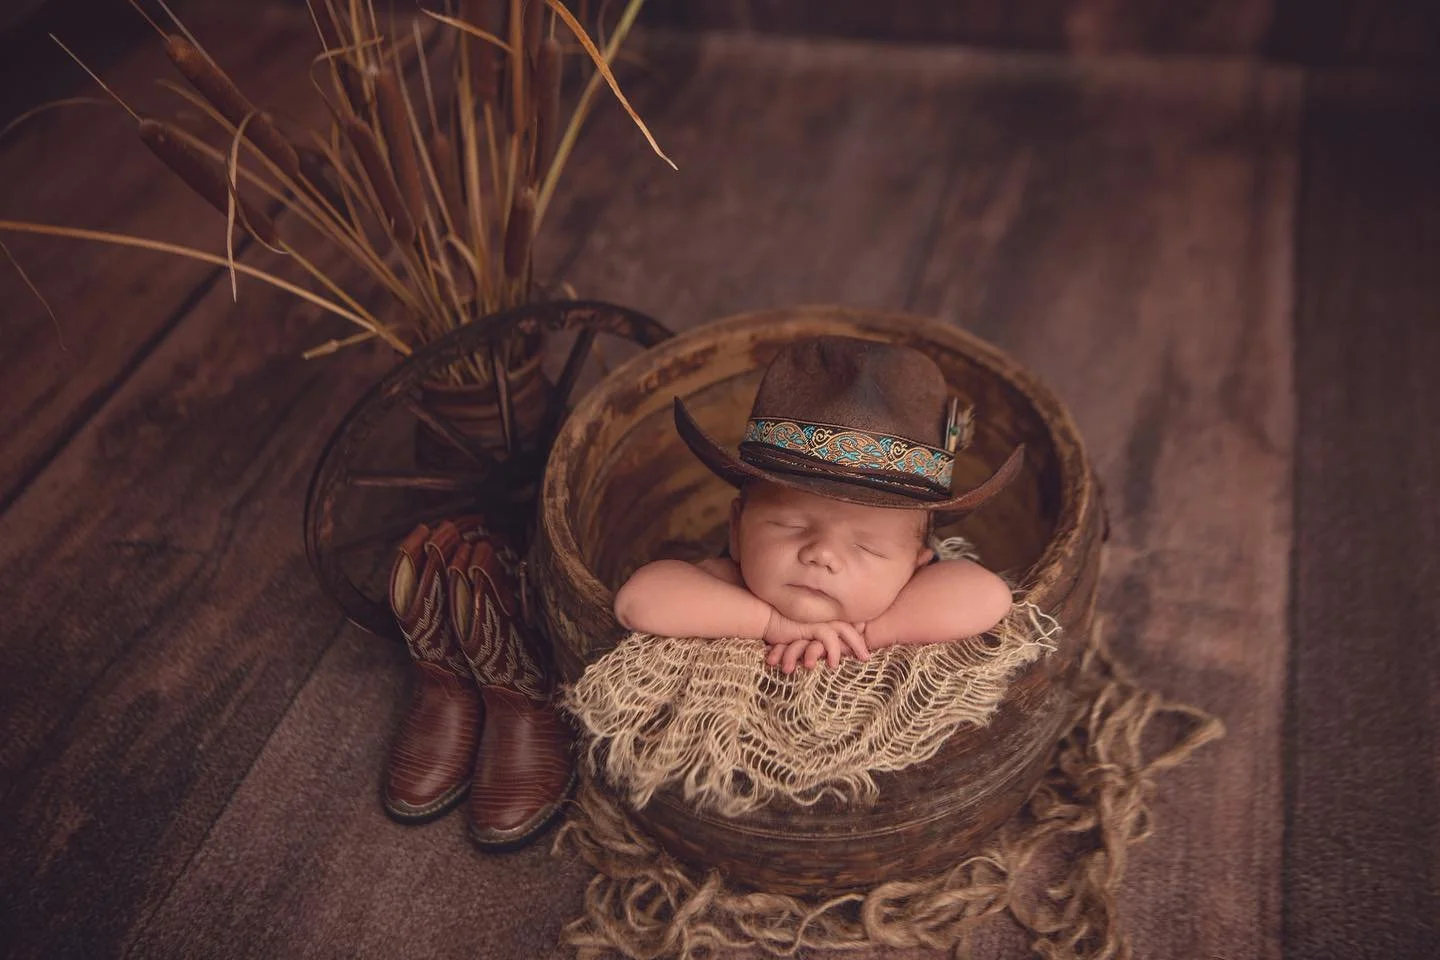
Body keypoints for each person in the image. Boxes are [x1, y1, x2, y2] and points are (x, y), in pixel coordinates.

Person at [613, 334, 1025, 673]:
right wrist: (772, 623)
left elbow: (988, 595)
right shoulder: (726, 582)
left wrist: (866, 634)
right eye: (790, 525)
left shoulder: (910, 596)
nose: (822, 554)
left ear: (915, 565)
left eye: (867, 546)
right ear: (736, 530)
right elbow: (638, 601)